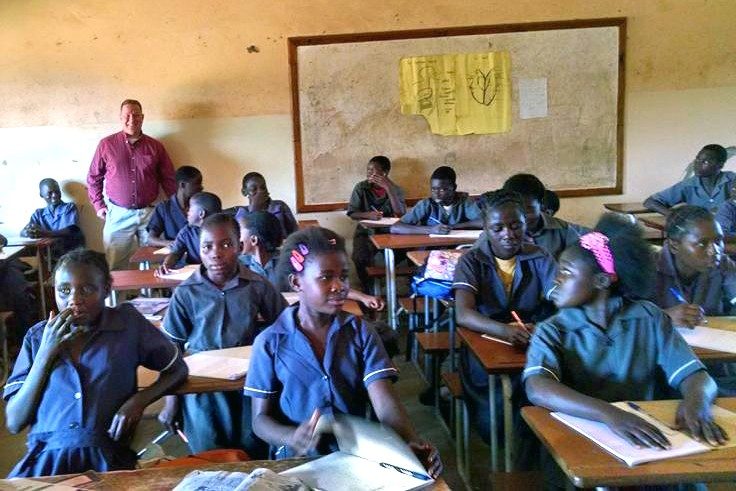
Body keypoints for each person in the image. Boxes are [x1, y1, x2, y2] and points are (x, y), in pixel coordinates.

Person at [524, 215, 727, 478]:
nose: (556, 280)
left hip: (646, 438)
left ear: (602, 281)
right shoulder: (553, 329)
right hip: (580, 441)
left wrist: (696, 402)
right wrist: (610, 414)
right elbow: (538, 387)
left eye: (566, 272)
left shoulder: (649, 317)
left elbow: (697, 375)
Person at [243, 227, 442, 478]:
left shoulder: (360, 332)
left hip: (357, 455)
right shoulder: (270, 342)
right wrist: (292, 436)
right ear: (296, 282)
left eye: (344, 276)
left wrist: (408, 442)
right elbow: (260, 420)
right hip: (296, 461)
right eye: (326, 277)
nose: (339, 286)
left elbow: (385, 403)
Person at [3, 249, 187, 477]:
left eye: (87, 289)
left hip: (106, 459)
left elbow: (177, 369)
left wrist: (139, 400)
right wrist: (45, 353)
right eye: (64, 290)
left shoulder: (127, 324)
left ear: (106, 290)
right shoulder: (38, 337)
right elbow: (14, 422)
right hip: (45, 464)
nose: (73, 299)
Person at [159, 214, 286, 456]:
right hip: (201, 387)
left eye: (225, 244)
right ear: (199, 250)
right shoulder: (187, 292)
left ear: (240, 247)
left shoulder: (258, 285)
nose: (216, 253)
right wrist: (171, 400)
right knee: (210, 453)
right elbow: (171, 348)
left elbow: (283, 328)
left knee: (251, 450)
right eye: (207, 247)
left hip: (247, 384)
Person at [453, 189, 556, 444]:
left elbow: (563, 301)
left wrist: (540, 328)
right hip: (485, 339)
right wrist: (505, 331)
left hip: (531, 335)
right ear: (485, 228)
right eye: (497, 228)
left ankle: (538, 442)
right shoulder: (471, 261)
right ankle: (505, 443)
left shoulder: (540, 256)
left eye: (515, 226)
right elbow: (463, 313)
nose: (508, 235)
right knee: (496, 413)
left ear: (525, 224)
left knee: (545, 386)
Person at [238, 212, 387, 314]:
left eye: (241, 232)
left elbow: (327, 283)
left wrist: (363, 297)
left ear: (254, 240)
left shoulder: (290, 262)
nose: (238, 237)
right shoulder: (240, 266)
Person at [87, 99, 176, 269]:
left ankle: (151, 295)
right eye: (127, 115)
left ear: (142, 118)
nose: (131, 119)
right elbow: (93, 177)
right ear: (120, 118)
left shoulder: (155, 146)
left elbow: (169, 179)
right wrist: (98, 205)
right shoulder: (106, 145)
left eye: (136, 115)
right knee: (115, 264)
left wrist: (174, 209)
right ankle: (118, 297)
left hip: (150, 215)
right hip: (117, 214)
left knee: (154, 261)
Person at [653, 205, 736, 325]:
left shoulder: (722, 264)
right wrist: (664, 316)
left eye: (718, 241)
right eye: (702, 244)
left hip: (709, 339)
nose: (715, 251)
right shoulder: (646, 268)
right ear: (674, 245)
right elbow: (623, 319)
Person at [346, 156, 407, 291]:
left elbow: (400, 214)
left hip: (390, 233)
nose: (369, 173)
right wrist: (368, 215)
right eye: (368, 170)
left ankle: (395, 290)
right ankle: (369, 289)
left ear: (384, 173)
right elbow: (352, 213)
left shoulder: (396, 189)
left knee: (403, 254)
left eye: (373, 170)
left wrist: (389, 188)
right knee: (360, 257)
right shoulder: (361, 188)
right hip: (366, 232)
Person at [501, 173, 589, 259]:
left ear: (541, 204)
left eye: (528, 209)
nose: (522, 217)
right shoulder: (497, 233)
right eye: (516, 209)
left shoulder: (563, 230)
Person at [644, 144, 735, 215]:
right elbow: (650, 202)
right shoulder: (688, 185)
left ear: (720, 165)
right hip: (700, 235)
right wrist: (672, 215)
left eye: (705, 162)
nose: (697, 164)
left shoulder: (732, 180)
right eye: (697, 159)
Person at [390, 166, 482, 235]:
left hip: (458, 248)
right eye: (433, 189)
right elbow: (395, 227)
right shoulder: (426, 204)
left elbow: (484, 222)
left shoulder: (465, 201)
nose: (436, 194)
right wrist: (431, 229)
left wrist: (453, 226)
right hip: (430, 248)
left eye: (442, 189)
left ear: (453, 188)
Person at [157, 192, 222, 272]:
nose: (187, 211)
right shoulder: (187, 231)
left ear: (201, 214)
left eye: (190, 208)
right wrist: (167, 264)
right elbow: (175, 253)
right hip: (194, 273)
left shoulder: (224, 231)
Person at [21, 178, 85, 258]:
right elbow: (23, 232)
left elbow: (71, 230)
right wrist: (29, 232)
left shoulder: (69, 207)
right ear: (41, 194)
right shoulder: (38, 214)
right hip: (49, 255)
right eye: (50, 193)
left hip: (71, 255)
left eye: (57, 191)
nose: (54, 195)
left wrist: (44, 233)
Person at [147, 166, 204, 247]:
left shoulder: (202, 205)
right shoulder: (163, 208)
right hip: (176, 255)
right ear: (183, 185)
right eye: (197, 183)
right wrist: (175, 244)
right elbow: (150, 239)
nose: (201, 187)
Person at [234, 172, 298, 240]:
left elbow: (295, 231)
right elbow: (243, 237)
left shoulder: (279, 206)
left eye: (263, 187)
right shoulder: (241, 213)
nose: (260, 191)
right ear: (244, 192)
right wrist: (255, 208)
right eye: (254, 189)